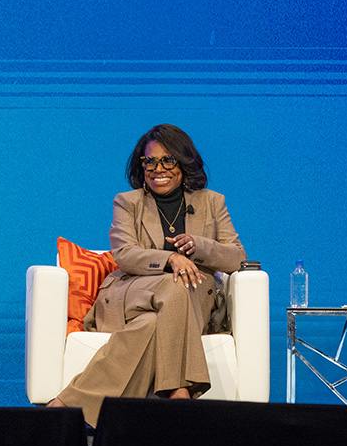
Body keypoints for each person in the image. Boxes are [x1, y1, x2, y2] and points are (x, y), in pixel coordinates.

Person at [48, 123, 247, 426]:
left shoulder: (212, 202)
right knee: (174, 284)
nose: (158, 169)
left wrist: (199, 247)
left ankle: (65, 403)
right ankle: (179, 389)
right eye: (149, 161)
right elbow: (124, 254)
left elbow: (236, 256)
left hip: (187, 303)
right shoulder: (127, 202)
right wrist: (171, 259)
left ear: (184, 164)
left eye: (168, 160)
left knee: (157, 319)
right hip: (132, 293)